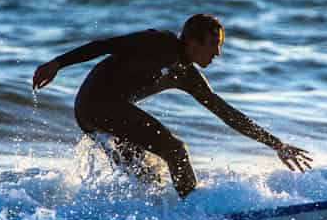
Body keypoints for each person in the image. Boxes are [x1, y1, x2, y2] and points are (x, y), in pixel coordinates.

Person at [32, 14, 312, 199]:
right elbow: (105, 45)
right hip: (96, 104)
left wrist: (275, 144)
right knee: (175, 150)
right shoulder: (157, 42)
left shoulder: (188, 76)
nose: (218, 53)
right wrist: (58, 63)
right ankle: (195, 211)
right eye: (214, 44)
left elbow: (226, 113)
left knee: (150, 177)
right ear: (192, 40)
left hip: (99, 113)